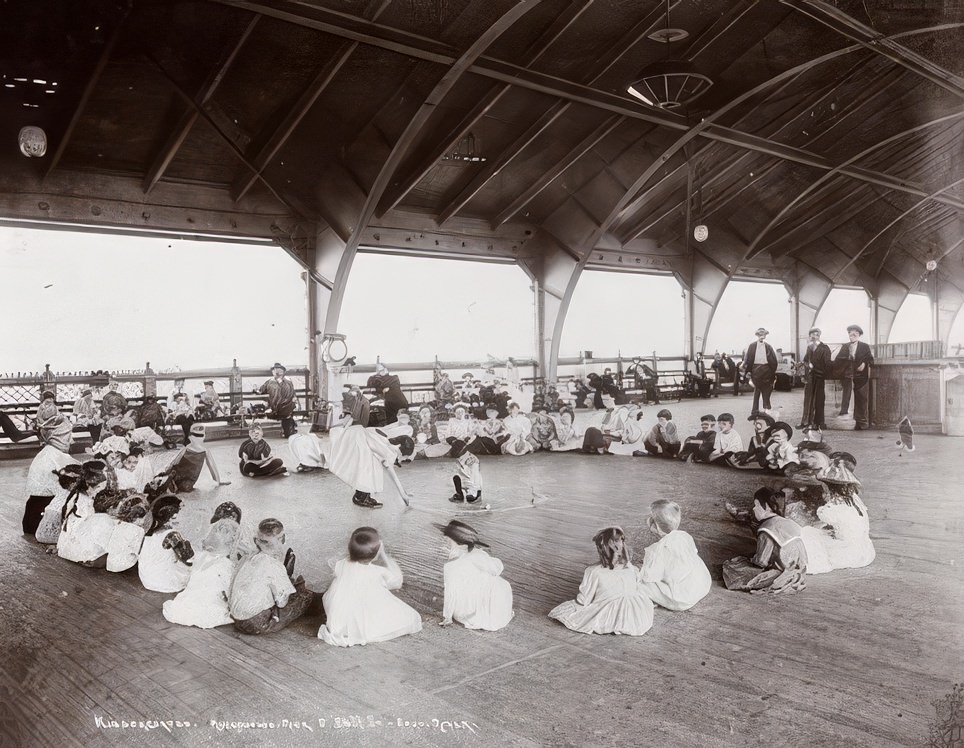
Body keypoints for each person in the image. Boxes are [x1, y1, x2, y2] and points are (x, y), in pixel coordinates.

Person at [318, 527, 422, 646]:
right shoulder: (376, 571)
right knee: (411, 617)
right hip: (359, 615)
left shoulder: (341, 564)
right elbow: (397, 581)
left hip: (338, 617)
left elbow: (335, 566)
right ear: (375, 553)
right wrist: (384, 554)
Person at [547, 526, 654, 636]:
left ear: (601, 549)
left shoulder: (594, 572)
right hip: (638, 615)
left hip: (611, 614)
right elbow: (637, 586)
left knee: (574, 610)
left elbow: (584, 600)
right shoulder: (631, 569)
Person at [326, 386, 412, 508]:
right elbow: (390, 471)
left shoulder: (385, 437)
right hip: (353, 439)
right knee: (369, 469)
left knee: (369, 467)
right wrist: (403, 495)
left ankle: (362, 495)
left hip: (355, 437)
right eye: (401, 455)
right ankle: (361, 497)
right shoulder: (386, 445)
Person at [228, 518, 314, 635]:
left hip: (236, 618)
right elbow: (282, 603)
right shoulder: (274, 565)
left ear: (256, 540)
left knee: (269, 587)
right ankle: (291, 583)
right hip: (256, 623)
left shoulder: (246, 557)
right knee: (304, 596)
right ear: (283, 539)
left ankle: (287, 582)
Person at [722, 488, 808, 594]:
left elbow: (761, 561)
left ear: (766, 506)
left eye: (756, 505)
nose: (754, 509)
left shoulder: (766, 529)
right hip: (798, 572)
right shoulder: (789, 522)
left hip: (778, 575)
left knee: (731, 566)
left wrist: (750, 560)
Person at [163, 518, 240, 629]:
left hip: (185, 605)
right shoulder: (227, 565)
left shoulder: (202, 556)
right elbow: (228, 592)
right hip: (208, 609)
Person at [437, 520, 513, 630]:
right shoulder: (477, 554)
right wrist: (487, 557)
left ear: (452, 541)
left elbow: (450, 593)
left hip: (466, 610)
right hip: (488, 605)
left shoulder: (450, 565)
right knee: (500, 583)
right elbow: (497, 569)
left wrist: (447, 617)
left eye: (447, 539)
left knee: (475, 581)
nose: (444, 540)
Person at [638, 500, 712, 610]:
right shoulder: (684, 536)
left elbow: (650, 577)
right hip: (702, 585)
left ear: (656, 526)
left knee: (639, 583)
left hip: (683, 599)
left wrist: (640, 571)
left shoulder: (657, 549)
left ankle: (653, 600)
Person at [21, 418, 78, 535]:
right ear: (59, 437)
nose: (71, 441)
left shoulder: (46, 451)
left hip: (32, 513)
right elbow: (78, 470)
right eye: (68, 436)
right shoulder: (56, 455)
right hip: (44, 515)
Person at [138, 495, 194, 593]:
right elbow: (189, 560)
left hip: (146, 580)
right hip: (165, 583)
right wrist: (187, 544)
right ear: (173, 516)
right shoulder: (172, 535)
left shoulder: (149, 529)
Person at [169, 423, 231, 492]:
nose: (199, 439)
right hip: (179, 477)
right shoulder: (188, 449)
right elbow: (174, 462)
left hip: (186, 480)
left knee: (184, 486)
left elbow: (212, 466)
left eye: (200, 436)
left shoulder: (200, 450)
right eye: (197, 436)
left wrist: (218, 481)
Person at [834, 324, 874, 430]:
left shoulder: (864, 346)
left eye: (856, 332)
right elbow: (838, 359)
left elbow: (870, 358)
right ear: (848, 334)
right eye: (851, 332)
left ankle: (861, 422)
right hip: (847, 375)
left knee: (861, 397)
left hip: (861, 376)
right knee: (846, 395)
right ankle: (844, 412)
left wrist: (864, 363)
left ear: (859, 334)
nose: (853, 334)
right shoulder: (845, 346)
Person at [740, 327, 778, 416]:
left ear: (765, 336)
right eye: (760, 334)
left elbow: (773, 360)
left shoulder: (768, 346)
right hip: (756, 370)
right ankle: (754, 410)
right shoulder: (752, 346)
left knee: (767, 390)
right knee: (757, 390)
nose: (762, 336)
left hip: (766, 370)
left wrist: (772, 371)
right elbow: (748, 359)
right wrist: (748, 371)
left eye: (763, 334)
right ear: (757, 335)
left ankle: (767, 408)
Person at [800, 327, 832, 430]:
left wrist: (817, 369)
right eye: (812, 335)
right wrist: (805, 370)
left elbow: (827, 364)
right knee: (808, 399)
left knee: (818, 400)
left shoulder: (825, 348)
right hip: (810, 377)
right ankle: (805, 422)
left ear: (819, 336)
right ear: (810, 337)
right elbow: (805, 360)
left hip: (819, 377)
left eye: (816, 335)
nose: (814, 337)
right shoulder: (809, 347)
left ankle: (819, 423)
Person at [257, 363, 298, 438]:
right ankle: (289, 429)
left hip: (283, 408)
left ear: (283, 372)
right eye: (275, 370)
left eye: (279, 370)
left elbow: (292, 394)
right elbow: (261, 391)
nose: (277, 372)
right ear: (273, 372)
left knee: (287, 415)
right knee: (285, 416)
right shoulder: (270, 382)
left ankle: (289, 430)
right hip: (277, 408)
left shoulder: (288, 382)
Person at [167, 379, 195, 445]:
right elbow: (170, 410)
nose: (180, 399)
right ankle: (186, 438)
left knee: (190, 418)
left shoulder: (184, 401)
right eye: (179, 398)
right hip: (178, 416)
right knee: (183, 419)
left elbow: (189, 408)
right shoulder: (173, 403)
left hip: (185, 414)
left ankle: (186, 437)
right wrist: (174, 413)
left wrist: (189, 411)